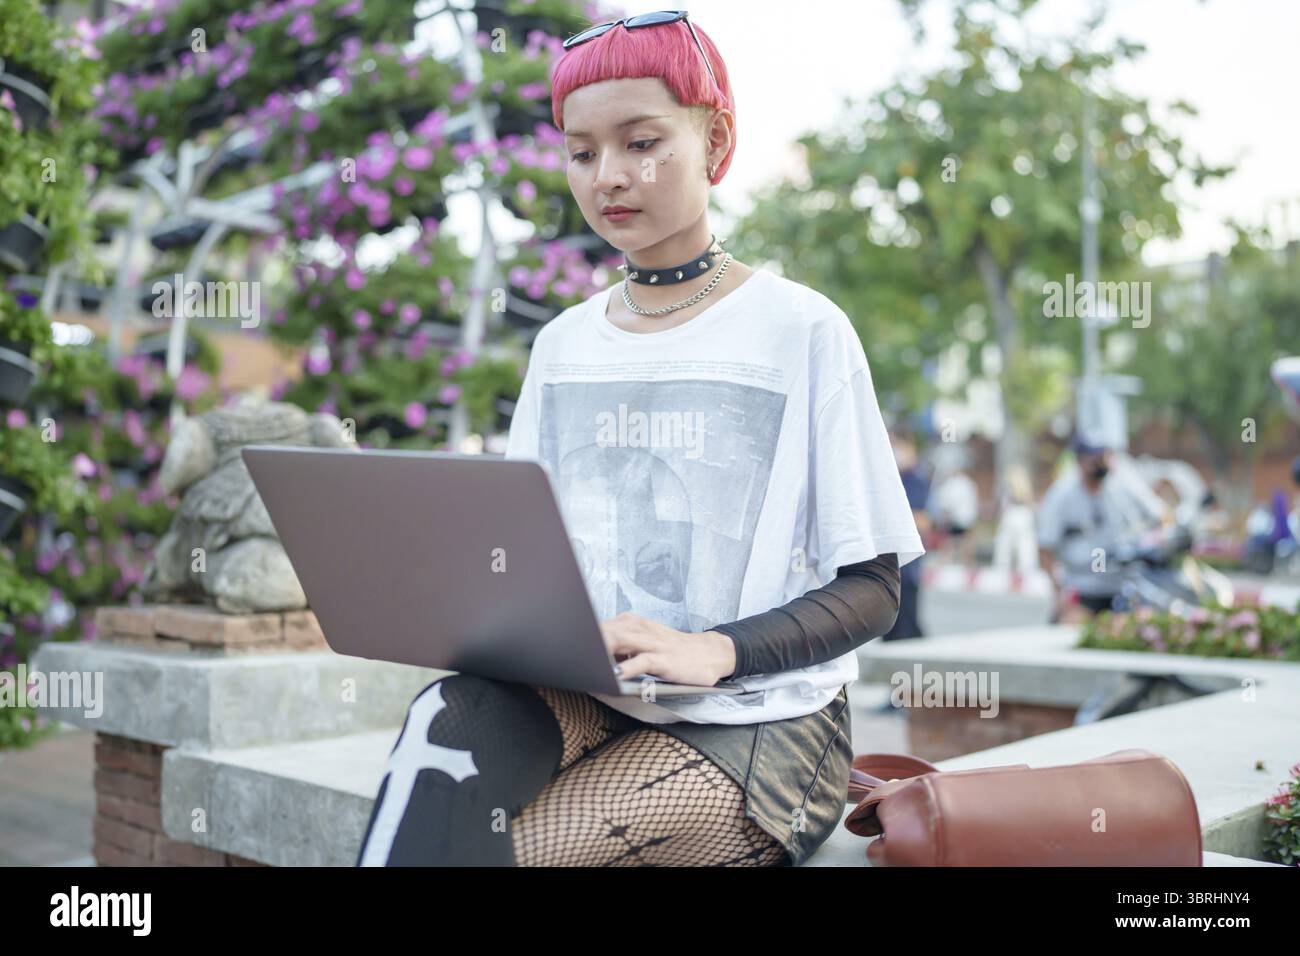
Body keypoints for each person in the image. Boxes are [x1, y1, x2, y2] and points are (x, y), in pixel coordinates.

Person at [355, 11, 924, 868]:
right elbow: (525, 552)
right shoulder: (563, 344)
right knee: (444, 728)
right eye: (581, 153)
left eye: (642, 141)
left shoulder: (802, 329)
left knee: (512, 853)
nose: (609, 177)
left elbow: (875, 587)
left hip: (765, 725)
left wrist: (714, 650)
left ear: (717, 140)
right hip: (595, 691)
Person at [1036, 435, 1168, 623]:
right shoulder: (1063, 494)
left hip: (1125, 585)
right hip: (1083, 587)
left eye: (1105, 456)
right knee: (1073, 628)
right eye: (1095, 458)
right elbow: (1045, 546)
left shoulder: (1123, 484)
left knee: (1147, 628)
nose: (1102, 463)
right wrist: (1058, 592)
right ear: (1081, 460)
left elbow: (1159, 515)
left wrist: (1147, 540)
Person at [881, 430, 930, 640]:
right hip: (889, 556)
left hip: (908, 560)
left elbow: (923, 520)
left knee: (907, 619)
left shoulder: (916, 480)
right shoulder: (889, 477)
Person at [932, 465, 979, 566]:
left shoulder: (951, 484)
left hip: (956, 518)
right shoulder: (967, 483)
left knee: (949, 543)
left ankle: (943, 563)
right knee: (965, 543)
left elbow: (946, 503)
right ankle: (968, 564)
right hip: (966, 518)